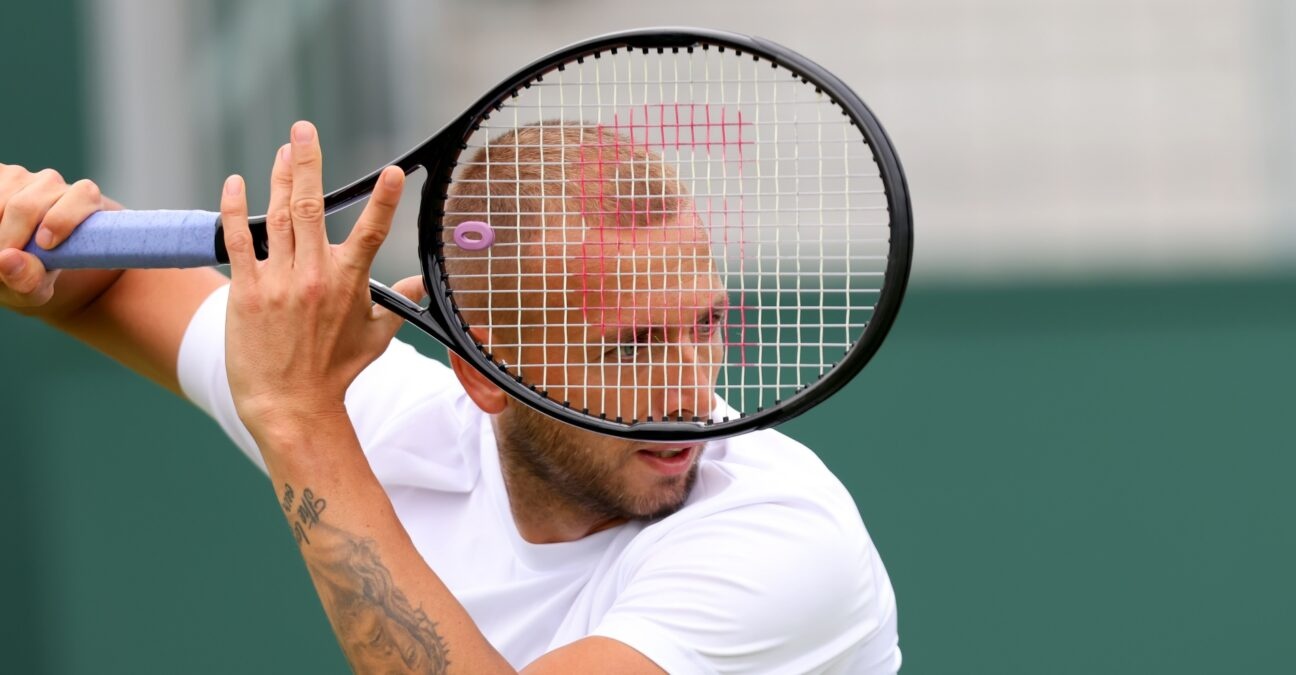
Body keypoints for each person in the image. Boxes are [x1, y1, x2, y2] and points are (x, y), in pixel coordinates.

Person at [0, 120, 900, 674]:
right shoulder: (396, 431)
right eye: (628, 346)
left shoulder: (783, 539)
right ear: (481, 370)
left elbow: (295, 404)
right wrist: (28, 233)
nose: (687, 393)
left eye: (702, 324)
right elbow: (98, 280)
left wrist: (297, 416)